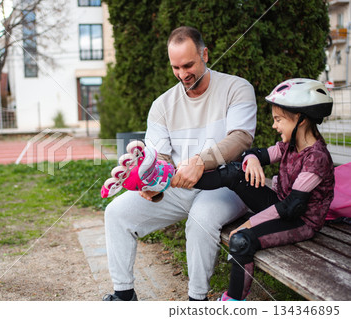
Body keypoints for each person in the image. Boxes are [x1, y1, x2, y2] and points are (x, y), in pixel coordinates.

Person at [103, 26, 257, 301]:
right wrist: (156, 183)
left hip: (227, 186)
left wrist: (201, 161)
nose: (183, 74)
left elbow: (241, 138)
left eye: (189, 65)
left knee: (200, 219)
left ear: (205, 54)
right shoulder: (162, 105)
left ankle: (196, 300)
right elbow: (160, 157)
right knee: (116, 213)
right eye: (176, 67)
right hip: (178, 186)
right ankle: (123, 296)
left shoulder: (236, 87)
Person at [193, 78, 335, 300]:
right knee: (236, 171)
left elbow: (292, 208)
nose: (274, 125)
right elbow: (254, 154)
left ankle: (232, 302)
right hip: (282, 205)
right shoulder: (289, 145)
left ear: (300, 119)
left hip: (301, 221)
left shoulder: (316, 158)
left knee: (242, 241)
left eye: (279, 120)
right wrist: (253, 160)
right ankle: (178, 178)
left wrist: (250, 224)